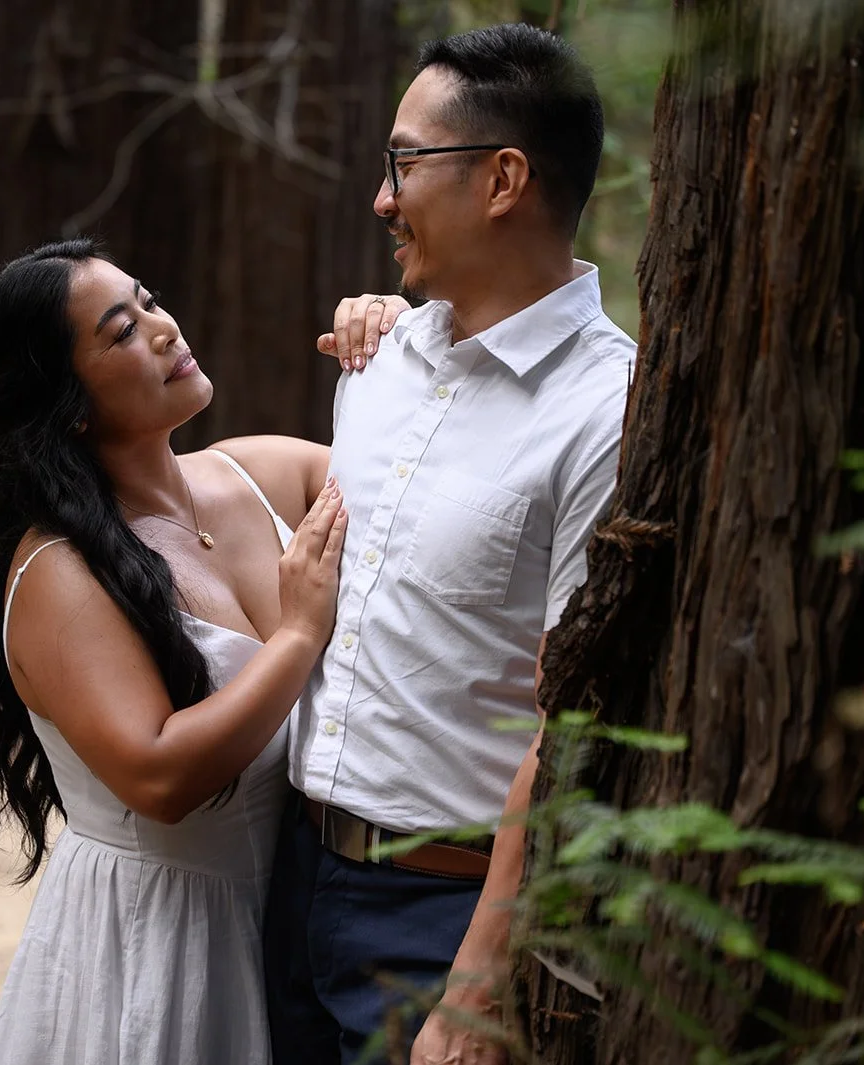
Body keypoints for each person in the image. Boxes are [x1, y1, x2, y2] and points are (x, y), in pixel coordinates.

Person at [264, 23, 636, 1065]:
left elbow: (568, 720)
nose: (383, 198)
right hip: (296, 880)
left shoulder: (604, 411)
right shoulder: (381, 359)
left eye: (405, 163)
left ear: (502, 178)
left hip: (442, 919)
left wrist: (477, 979)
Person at [0, 237, 402, 1064]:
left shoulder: (261, 473)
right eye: (121, 331)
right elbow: (159, 777)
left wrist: (408, 344)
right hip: (162, 943)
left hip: (301, 913)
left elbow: (423, 485)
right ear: (68, 403)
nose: (162, 328)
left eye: (150, 302)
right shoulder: (59, 568)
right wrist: (299, 634)